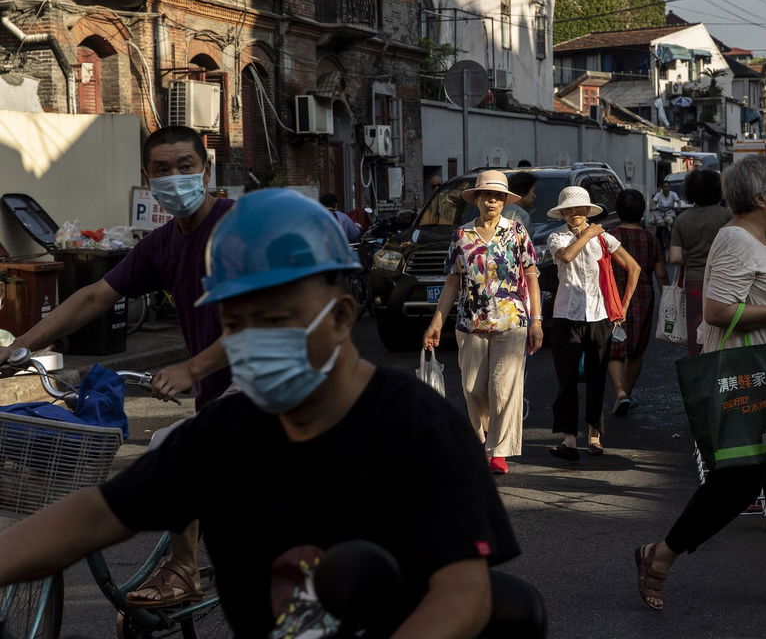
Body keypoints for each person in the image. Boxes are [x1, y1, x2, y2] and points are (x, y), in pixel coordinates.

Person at [0, 189, 519, 638]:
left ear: (339, 316)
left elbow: (464, 594)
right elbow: (98, 513)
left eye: (275, 318)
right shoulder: (224, 436)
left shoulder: (419, 429)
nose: (253, 337)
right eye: (236, 321)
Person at [0, 124, 233, 608]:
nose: (175, 179)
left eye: (185, 167)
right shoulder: (161, 245)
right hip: (215, 396)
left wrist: (191, 369)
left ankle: (184, 570)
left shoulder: (240, 230)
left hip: (266, 387)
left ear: (206, 171)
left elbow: (271, 321)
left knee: (175, 448)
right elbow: (93, 297)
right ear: (147, 178)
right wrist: (18, 346)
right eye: (162, 170)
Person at [633, 156, 766, 611]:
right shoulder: (734, 240)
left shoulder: (757, 241)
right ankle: (660, 555)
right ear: (762, 197)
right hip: (746, 378)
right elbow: (717, 312)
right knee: (740, 481)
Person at [423, 171, 543, 475]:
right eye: (486, 195)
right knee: (474, 390)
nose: (492, 200)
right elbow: (452, 283)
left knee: (503, 389)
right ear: (476, 199)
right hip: (470, 324)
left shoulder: (516, 232)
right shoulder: (462, 236)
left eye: (498, 196)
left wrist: (537, 321)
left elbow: (531, 277)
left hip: (512, 323)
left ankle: (498, 451)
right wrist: (436, 322)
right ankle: (484, 439)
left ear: (505, 201)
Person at [546, 186, 641, 459]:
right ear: (562, 214)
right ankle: (568, 439)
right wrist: (588, 233)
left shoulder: (605, 239)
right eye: (568, 210)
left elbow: (633, 267)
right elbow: (566, 256)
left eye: (578, 209)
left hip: (599, 316)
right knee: (566, 380)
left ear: (587, 211)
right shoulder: (557, 238)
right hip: (565, 316)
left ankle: (595, 435)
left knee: (597, 378)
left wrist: (622, 305)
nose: (574, 214)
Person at [607, 189, 669, 416]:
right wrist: (667, 299)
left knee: (614, 347)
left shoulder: (609, 237)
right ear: (642, 211)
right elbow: (661, 273)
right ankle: (627, 394)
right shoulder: (650, 238)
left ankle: (619, 393)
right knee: (636, 349)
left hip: (613, 297)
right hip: (642, 297)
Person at [668, 169, 731, 356]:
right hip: (724, 279)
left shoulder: (681, 220)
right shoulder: (727, 216)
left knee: (696, 328)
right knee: (722, 328)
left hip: (694, 281)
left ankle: (699, 368)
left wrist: (693, 256)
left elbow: (675, 258)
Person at [649, 180, 682, 254]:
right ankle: (657, 245)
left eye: (667, 187)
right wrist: (651, 207)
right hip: (660, 214)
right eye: (664, 187)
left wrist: (678, 207)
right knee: (658, 230)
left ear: (669, 188)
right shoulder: (659, 194)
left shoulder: (673, 194)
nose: (665, 188)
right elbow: (653, 202)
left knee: (674, 228)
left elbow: (678, 201)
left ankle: (674, 243)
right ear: (662, 188)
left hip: (670, 214)